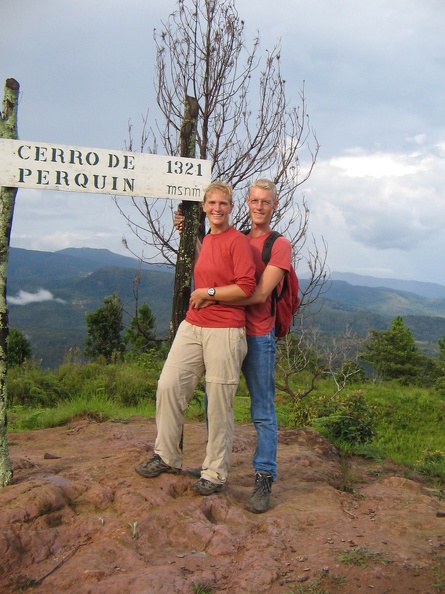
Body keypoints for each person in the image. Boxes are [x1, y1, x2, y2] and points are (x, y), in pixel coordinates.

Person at [135, 181, 256, 496]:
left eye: (223, 204)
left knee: (218, 402)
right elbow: (204, 259)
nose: (217, 209)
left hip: (226, 329)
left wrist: (210, 293)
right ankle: (167, 455)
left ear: (231, 208)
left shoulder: (238, 242)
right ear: (204, 207)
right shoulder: (206, 239)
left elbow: (246, 288)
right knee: (169, 385)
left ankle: (215, 472)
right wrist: (184, 230)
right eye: (212, 203)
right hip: (195, 322)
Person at [184, 179, 292, 513]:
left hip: (258, 334)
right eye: (255, 200)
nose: (259, 207)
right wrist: (188, 234)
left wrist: (214, 297)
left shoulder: (279, 244)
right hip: (228, 331)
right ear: (246, 202)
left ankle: (264, 477)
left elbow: (257, 293)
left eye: (266, 202)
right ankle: (212, 465)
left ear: (274, 206)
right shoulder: (237, 238)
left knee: (262, 409)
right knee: (215, 401)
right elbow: (210, 271)